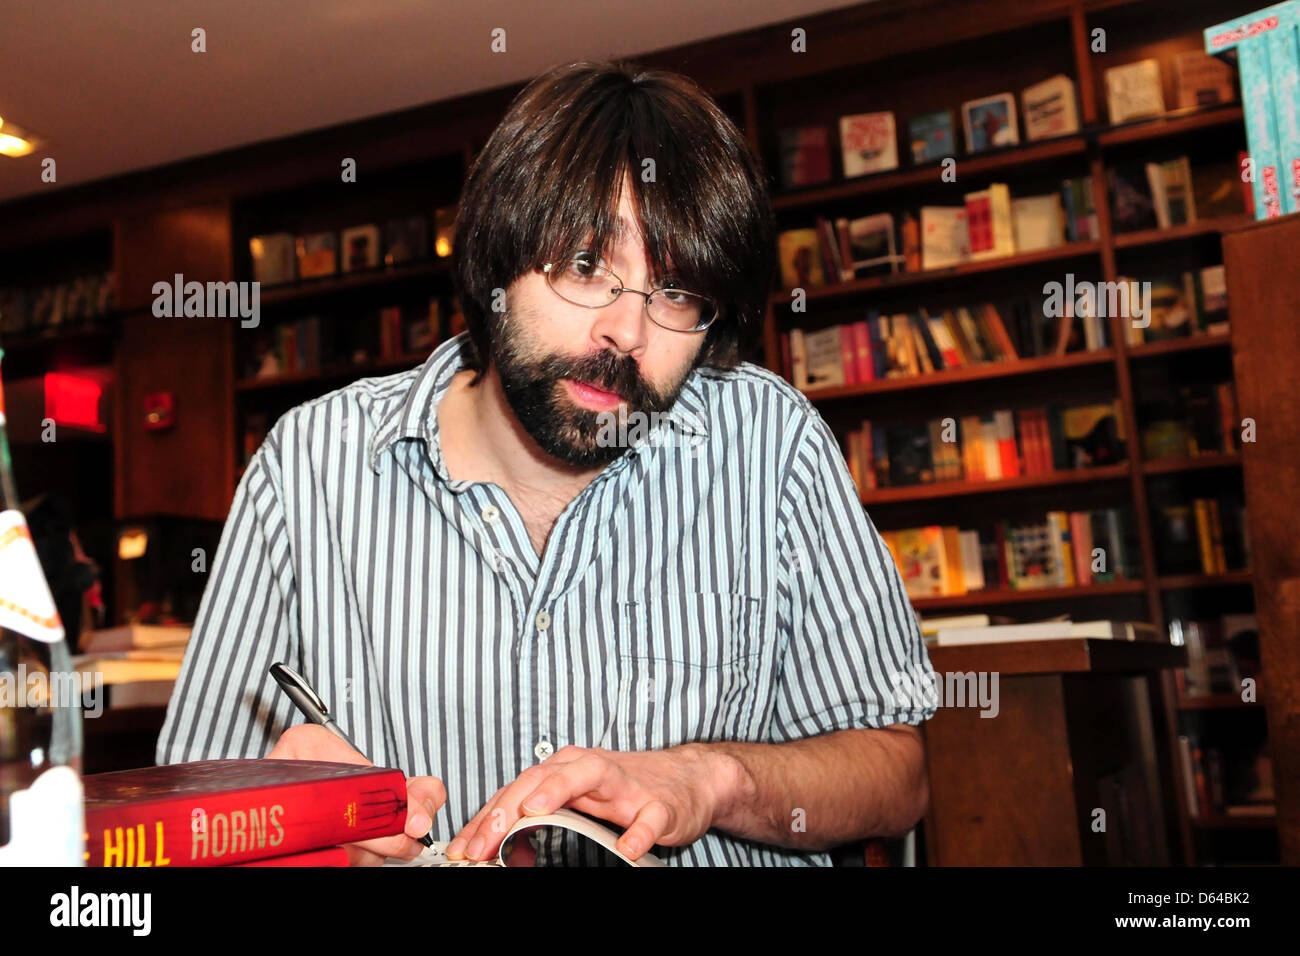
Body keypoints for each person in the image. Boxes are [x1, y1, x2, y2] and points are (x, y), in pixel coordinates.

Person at [157, 59, 937, 866]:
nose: (628, 334)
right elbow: (186, 814)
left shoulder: (771, 447)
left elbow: (898, 776)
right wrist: (299, 830)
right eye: (585, 267)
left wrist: (712, 780)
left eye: (677, 292)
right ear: (495, 259)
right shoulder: (308, 468)